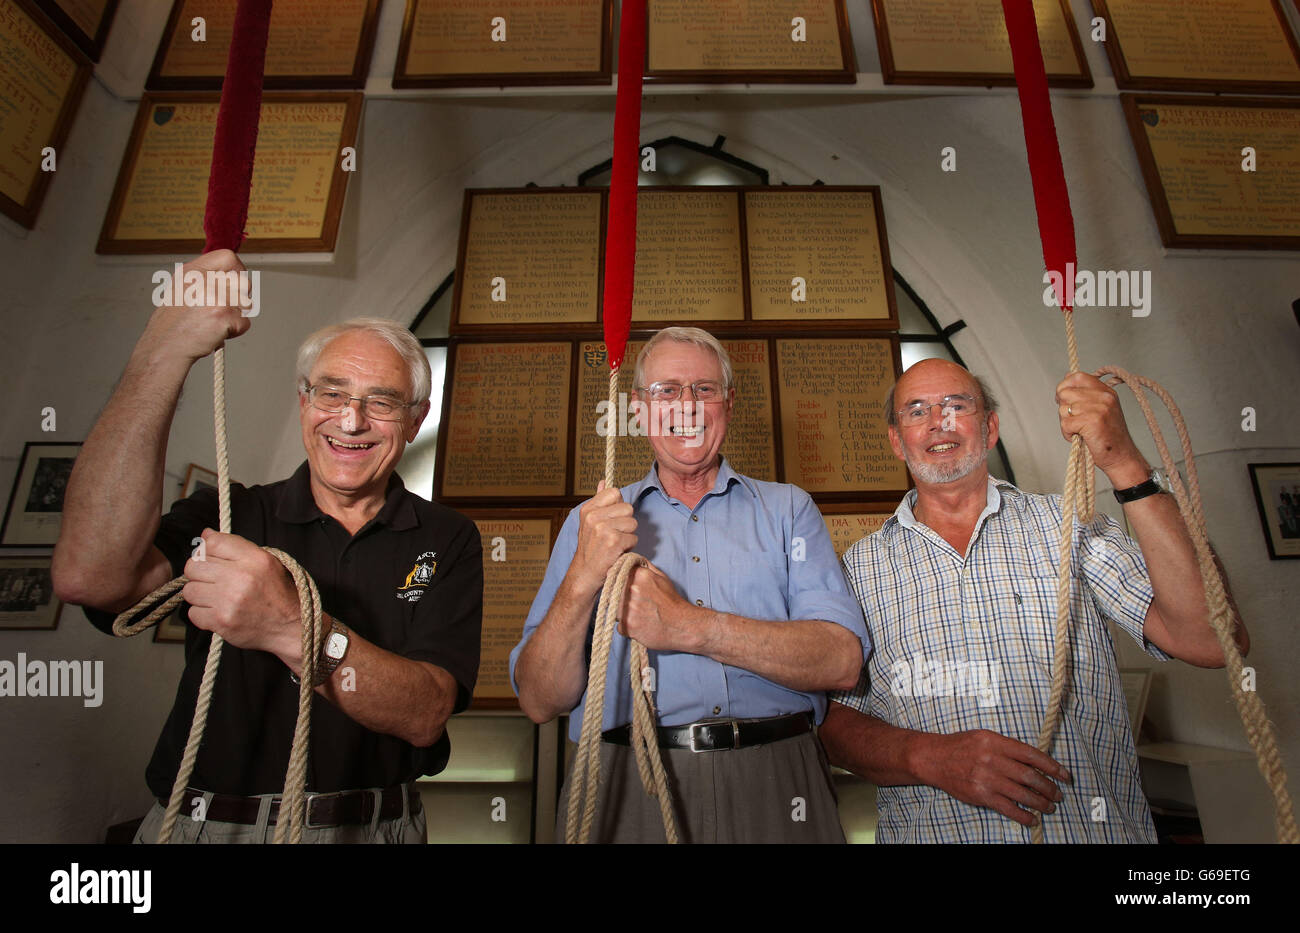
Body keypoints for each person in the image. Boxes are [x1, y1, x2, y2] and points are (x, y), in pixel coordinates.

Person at [52, 250, 483, 844]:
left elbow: (426, 713)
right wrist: (164, 352)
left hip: (375, 828)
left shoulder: (447, 538)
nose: (351, 421)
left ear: (415, 420)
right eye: (331, 394)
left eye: (381, 402)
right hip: (208, 828)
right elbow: (89, 577)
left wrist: (288, 626)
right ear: (304, 402)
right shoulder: (229, 513)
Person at [819, 358, 1249, 843]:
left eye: (957, 405)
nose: (939, 421)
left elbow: (1213, 641)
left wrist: (1123, 460)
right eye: (916, 411)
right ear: (897, 440)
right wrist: (928, 757)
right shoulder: (858, 569)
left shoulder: (1071, 527)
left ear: (991, 427)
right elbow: (830, 722)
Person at [510, 326, 868, 843]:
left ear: (729, 402)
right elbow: (541, 700)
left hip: (779, 782)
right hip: (628, 785)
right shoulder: (591, 525)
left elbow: (840, 661)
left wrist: (686, 626)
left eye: (704, 389)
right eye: (666, 391)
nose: (687, 405)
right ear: (637, 408)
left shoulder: (789, 511)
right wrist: (583, 576)